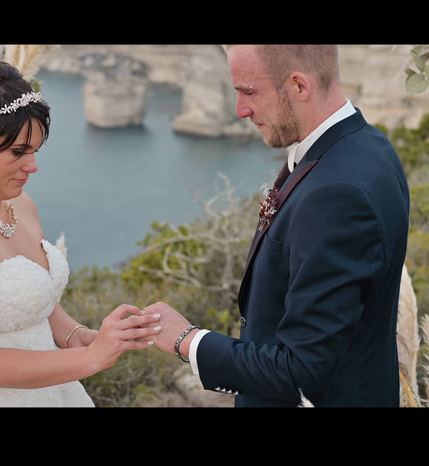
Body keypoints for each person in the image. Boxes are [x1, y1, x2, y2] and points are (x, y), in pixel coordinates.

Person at [144, 45, 410, 407]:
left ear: (299, 86)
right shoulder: (370, 146)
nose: (241, 110)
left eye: (249, 91)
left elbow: (301, 373)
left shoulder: (337, 194)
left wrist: (187, 340)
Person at [0, 61, 159, 407]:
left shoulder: (20, 205)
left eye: (35, 150)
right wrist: (88, 360)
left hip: (50, 392)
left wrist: (79, 337)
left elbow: (34, 300)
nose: (33, 166)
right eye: (17, 152)